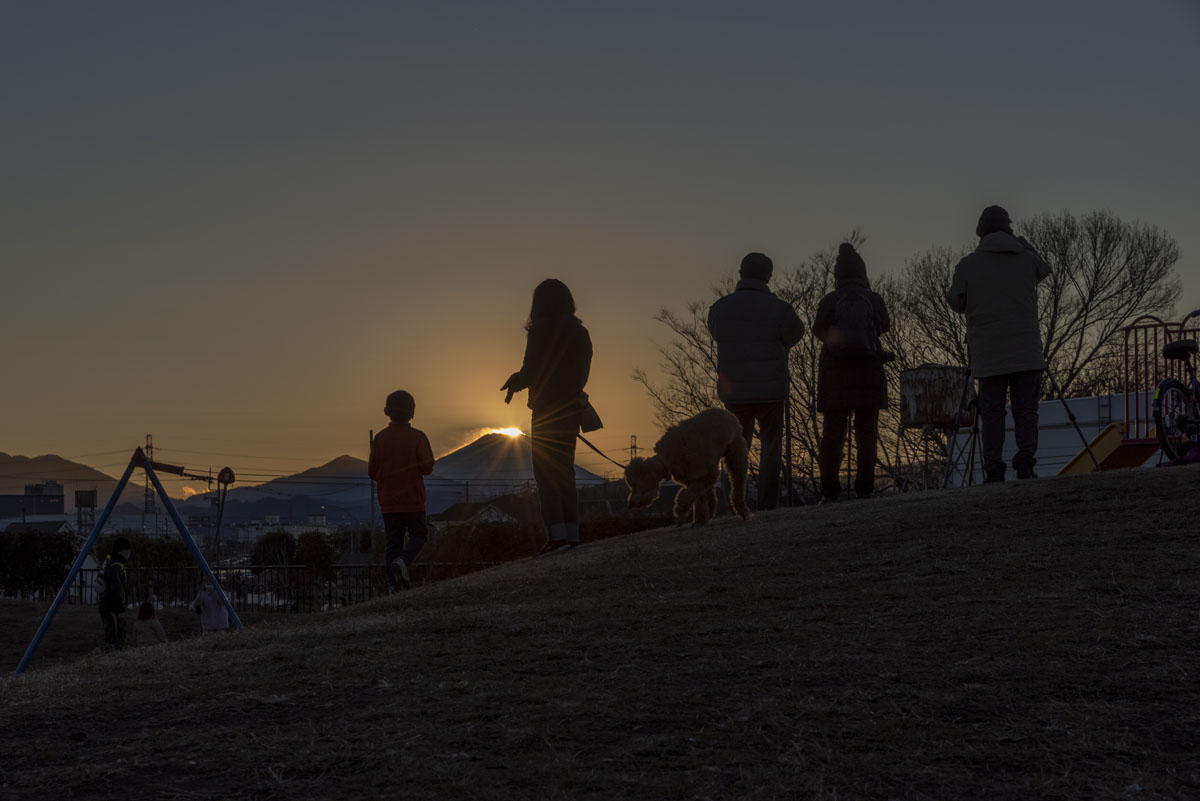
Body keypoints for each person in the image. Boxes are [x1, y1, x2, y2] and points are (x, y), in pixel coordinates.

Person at [946, 205, 1051, 483]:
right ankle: (1025, 464)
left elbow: (955, 301)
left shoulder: (968, 265)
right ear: (1008, 229)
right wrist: (1021, 242)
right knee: (1026, 410)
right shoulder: (1026, 260)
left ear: (980, 231)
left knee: (992, 412)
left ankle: (994, 469)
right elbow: (1044, 268)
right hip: (1027, 352)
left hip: (989, 353)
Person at [707, 253, 806, 510]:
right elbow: (796, 333)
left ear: (741, 273)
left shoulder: (720, 308)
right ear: (768, 276)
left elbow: (717, 333)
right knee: (771, 448)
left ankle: (734, 503)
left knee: (735, 448)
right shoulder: (780, 310)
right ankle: (767, 502)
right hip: (771, 389)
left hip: (735, 390)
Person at [501, 279, 593, 554]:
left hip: (545, 412)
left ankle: (556, 537)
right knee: (565, 472)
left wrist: (515, 382)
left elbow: (530, 371)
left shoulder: (540, 331)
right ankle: (571, 534)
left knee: (546, 474)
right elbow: (581, 374)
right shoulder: (581, 332)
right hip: (571, 409)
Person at [811, 243, 891, 503]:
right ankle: (865, 488)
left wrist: (838, 342)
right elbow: (885, 325)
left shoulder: (830, 301)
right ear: (862, 272)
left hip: (835, 376)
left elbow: (818, 330)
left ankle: (830, 491)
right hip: (868, 374)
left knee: (833, 436)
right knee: (866, 435)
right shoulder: (873, 299)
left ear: (837, 274)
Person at [368, 389, 436, 591]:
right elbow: (428, 468)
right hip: (414, 501)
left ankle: (393, 586)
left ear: (386, 411)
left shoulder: (379, 439)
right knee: (419, 535)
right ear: (412, 412)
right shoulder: (417, 437)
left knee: (392, 543)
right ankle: (403, 562)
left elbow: (372, 471)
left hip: (389, 503)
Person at [97, 536, 131, 650]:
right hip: (112, 606)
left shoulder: (108, 560)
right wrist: (121, 606)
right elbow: (118, 587)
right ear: (123, 551)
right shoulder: (116, 565)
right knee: (115, 634)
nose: (129, 553)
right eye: (129, 550)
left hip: (105, 603)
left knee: (110, 630)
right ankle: (113, 655)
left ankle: (111, 652)